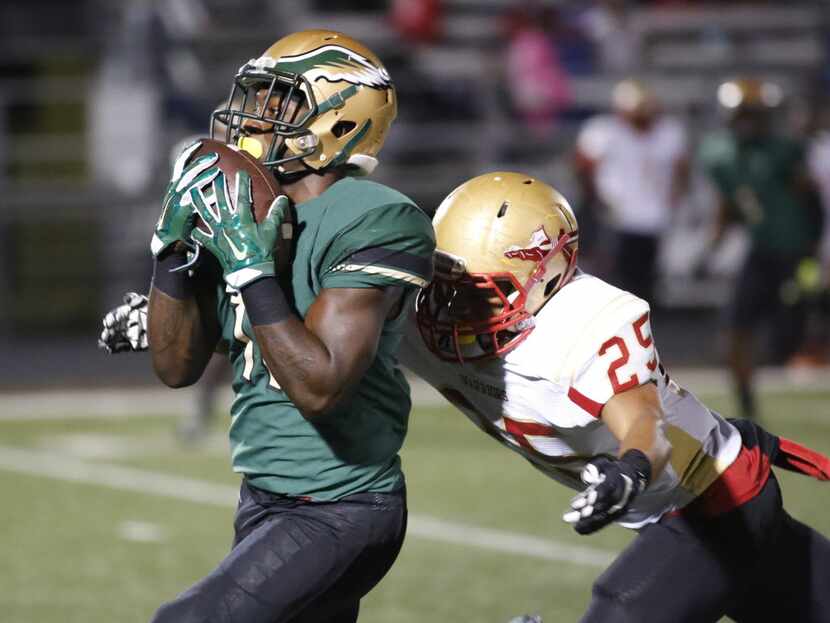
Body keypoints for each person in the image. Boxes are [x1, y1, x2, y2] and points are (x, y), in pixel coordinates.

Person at [102, 171, 830, 622]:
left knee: (622, 610)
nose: (451, 312)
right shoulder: (430, 315)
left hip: (710, 500)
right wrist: (171, 320)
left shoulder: (584, 323)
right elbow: (316, 337)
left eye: (477, 295)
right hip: (685, 500)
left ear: (549, 278)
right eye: (445, 286)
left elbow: (636, 415)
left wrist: (629, 466)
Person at [110, 29, 436, 623]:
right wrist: (171, 252)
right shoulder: (243, 201)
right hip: (263, 492)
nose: (253, 115)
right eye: (256, 96)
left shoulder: (377, 217)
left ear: (341, 120)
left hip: (343, 503)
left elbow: (321, 386)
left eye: (276, 100)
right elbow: (176, 366)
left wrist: (250, 270)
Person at [698, 78, 824, 419]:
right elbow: (732, 205)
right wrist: (712, 246)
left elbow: (811, 202)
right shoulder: (722, 155)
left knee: (803, 325)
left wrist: (813, 255)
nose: (748, 122)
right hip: (763, 251)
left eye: (754, 114)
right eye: (743, 114)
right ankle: (746, 409)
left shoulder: (784, 150)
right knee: (735, 328)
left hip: (799, 251)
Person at [574, 78, 689, 304]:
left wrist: (674, 197)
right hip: (616, 215)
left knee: (647, 280)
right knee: (614, 278)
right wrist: (596, 199)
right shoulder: (604, 131)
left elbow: (682, 170)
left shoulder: (668, 133)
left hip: (653, 217)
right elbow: (582, 166)